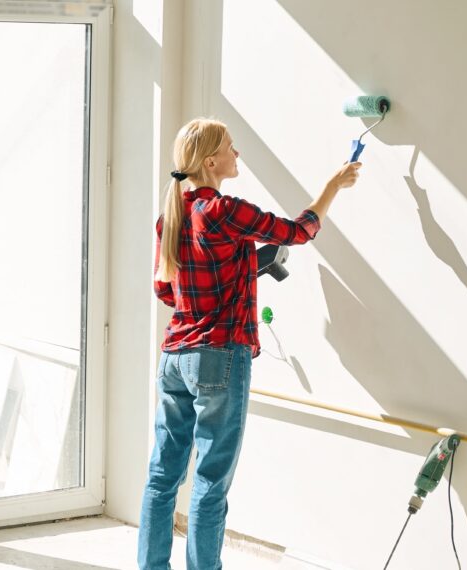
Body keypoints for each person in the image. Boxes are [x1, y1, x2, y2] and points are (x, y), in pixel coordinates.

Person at [137, 118, 360, 570]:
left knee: (162, 477)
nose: (238, 155)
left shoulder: (170, 217)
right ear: (211, 160)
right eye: (231, 148)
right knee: (210, 481)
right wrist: (332, 186)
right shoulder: (224, 209)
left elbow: (165, 292)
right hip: (220, 356)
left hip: (175, 357)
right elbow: (297, 232)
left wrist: (226, 281)